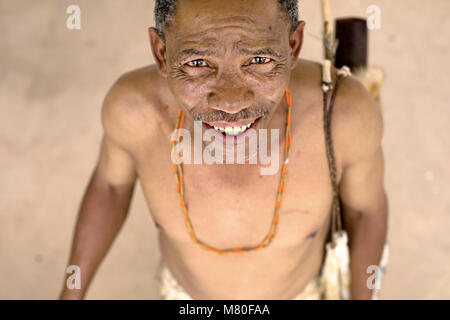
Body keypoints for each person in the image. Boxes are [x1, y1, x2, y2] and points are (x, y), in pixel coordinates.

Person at [59, 0, 388, 300]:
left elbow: (365, 211)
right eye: (198, 62)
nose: (231, 102)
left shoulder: (343, 116)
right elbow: (111, 188)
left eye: (258, 60)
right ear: (161, 53)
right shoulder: (134, 112)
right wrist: (70, 294)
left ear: (293, 46)